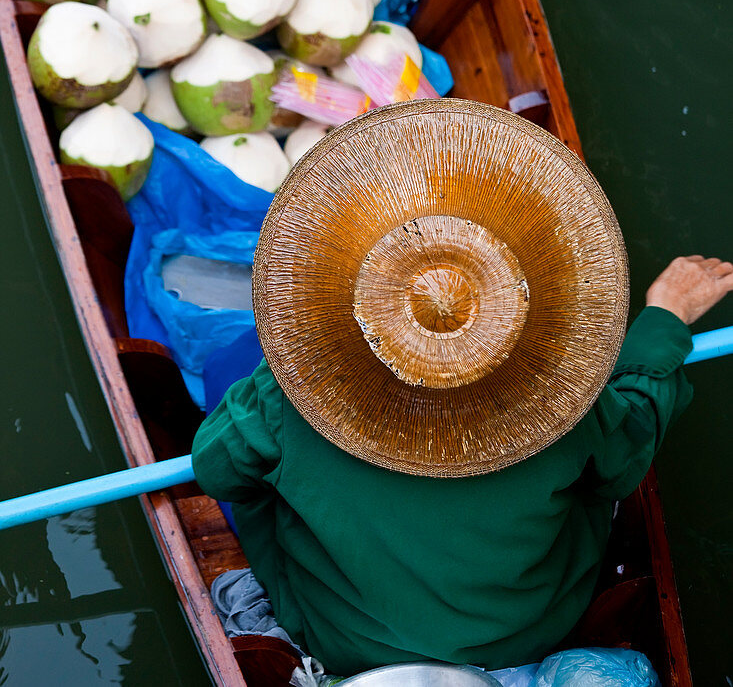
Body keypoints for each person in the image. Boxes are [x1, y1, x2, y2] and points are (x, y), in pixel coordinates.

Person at [191, 103, 733, 679]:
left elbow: (218, 470)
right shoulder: (568, 404)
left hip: (348, 642)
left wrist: (297, 365)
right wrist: (664, 320)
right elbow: (627, 454)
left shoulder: (281, 401)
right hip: (523, 634)